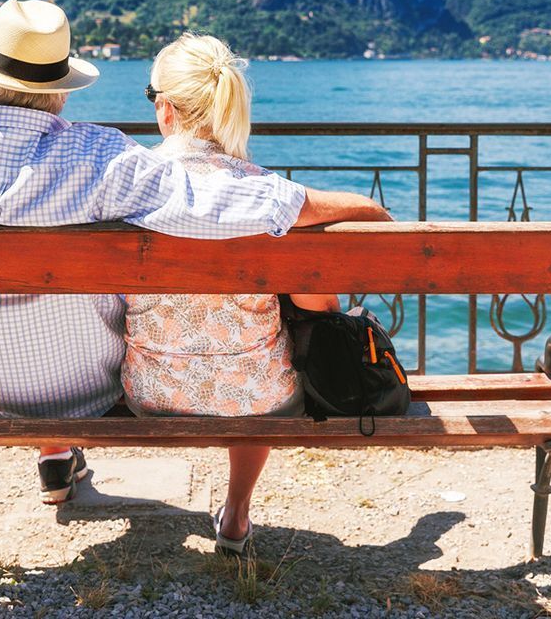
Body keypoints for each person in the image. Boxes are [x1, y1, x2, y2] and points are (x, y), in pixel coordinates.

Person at [0, 0, 387, 507]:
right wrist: (342, 205)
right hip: (84, 396)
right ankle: (66, 451)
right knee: (100, 317)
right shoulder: (101, 158)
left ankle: (56, 462)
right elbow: (216, 206)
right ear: (62, 92)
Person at [122, 32, 392, 554]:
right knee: (262, 357)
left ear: (167, 109)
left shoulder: (124, 183)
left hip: (149, 395)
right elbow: (362, 238)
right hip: (258, 401)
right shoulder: (270, 194)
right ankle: (237, 517)